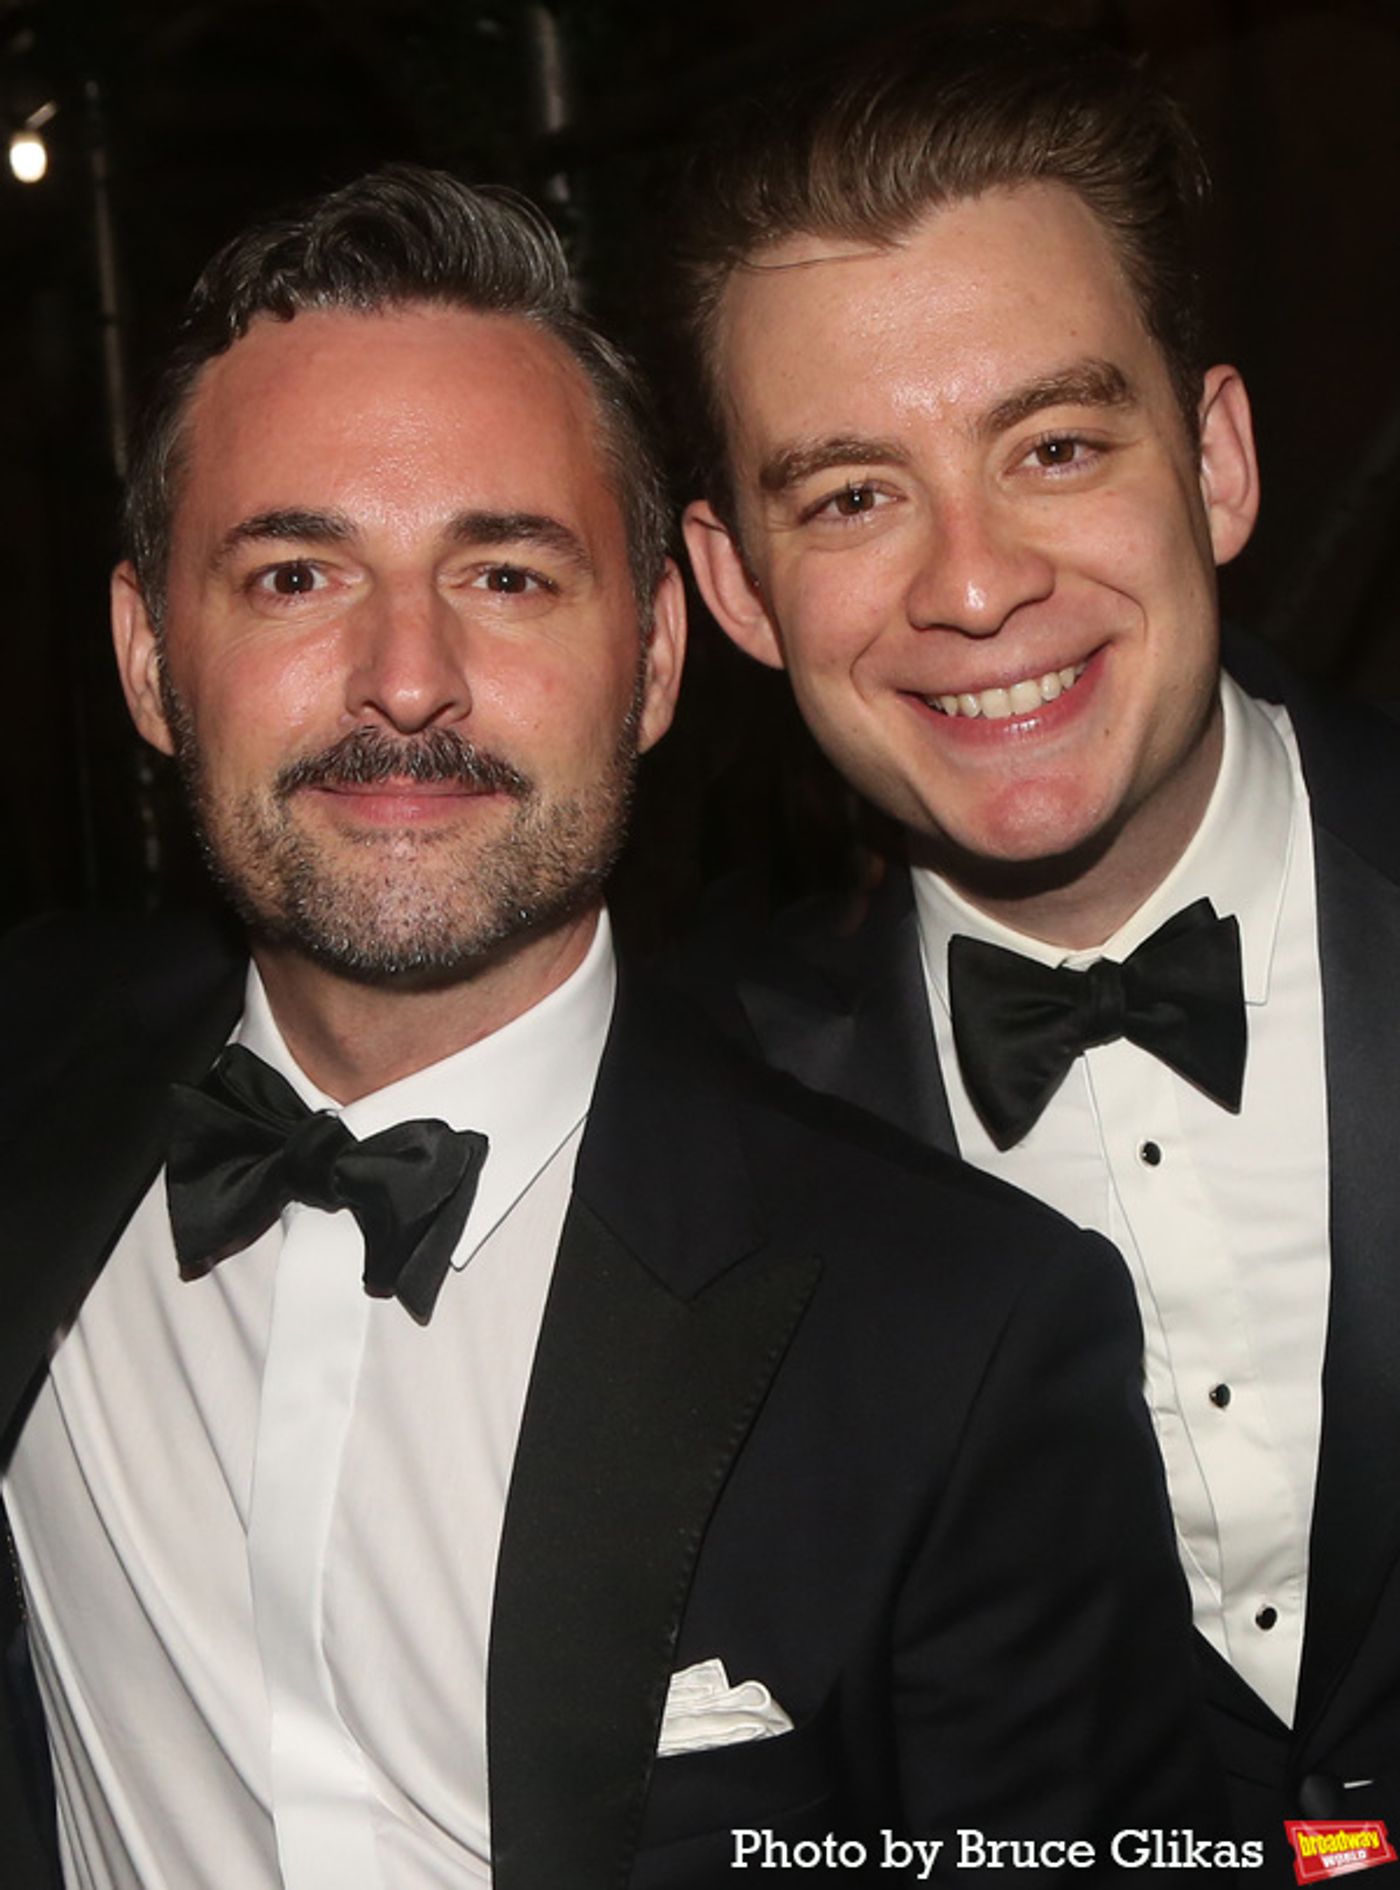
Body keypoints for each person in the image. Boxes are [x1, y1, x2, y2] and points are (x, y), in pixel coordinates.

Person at [0, 165, 1220, 1889]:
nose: (405, 679)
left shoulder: (961, 1341)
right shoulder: (35, 1085)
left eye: (505, 575)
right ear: (146, 656)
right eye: (292, 577)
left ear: (653, 652)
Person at [678, 18, 1400, 1882]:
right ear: (737, 587)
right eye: (852, 495)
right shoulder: (682, 1142)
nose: (977, 581)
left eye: (1057, 443)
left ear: (1219, 460)